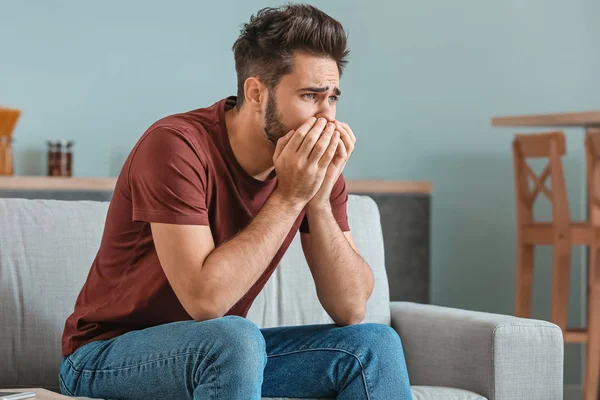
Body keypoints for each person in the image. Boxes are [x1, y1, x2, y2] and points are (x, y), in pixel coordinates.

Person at [59, 4, 412, 399]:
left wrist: (315, 198)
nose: (326, 118)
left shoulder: (309, 166)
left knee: (373, 346)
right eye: (310, 96)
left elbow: (349, 309)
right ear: (257, 92)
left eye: (332, 98)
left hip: (216, 355)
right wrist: (290, 195)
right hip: (105, 357)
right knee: (234, 336)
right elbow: (205, 302)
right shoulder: (176, 146)